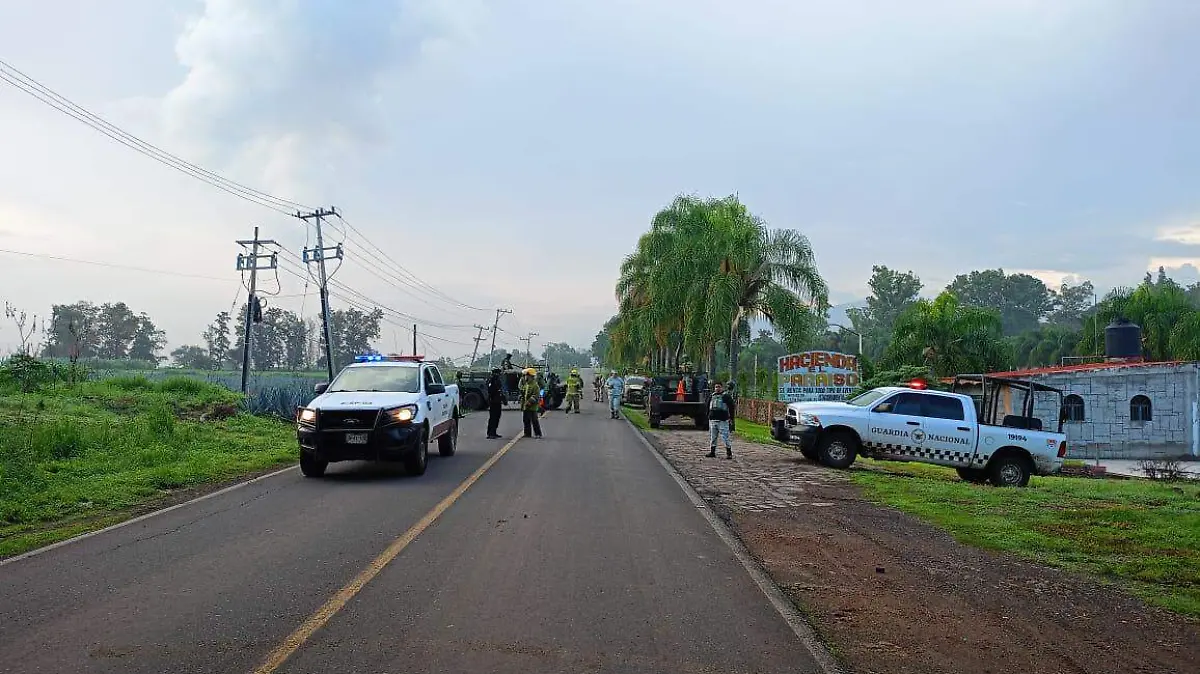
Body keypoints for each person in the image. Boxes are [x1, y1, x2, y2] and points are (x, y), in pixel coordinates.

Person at [706, 381, 735, 459]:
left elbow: (731, 407)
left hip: (723, 420)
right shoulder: (712, 396)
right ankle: (712, 451)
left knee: (725, 436)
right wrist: (707, 416)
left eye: (719, 387)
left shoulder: (726, 396)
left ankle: (729, 452)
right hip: (712, 419)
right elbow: (707, 406)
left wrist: (731, 418)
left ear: (722, 387)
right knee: (713, 437)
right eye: (716, 387)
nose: (717, 388)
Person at [519, 367, 543, 438]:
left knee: (534, 421)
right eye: (525, 376)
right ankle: (527, 434)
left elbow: (535, 396)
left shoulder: (535, 386)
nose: (526, 377)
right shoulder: (527, 384)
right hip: (525, 406)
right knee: (526, 420)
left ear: (531, 377)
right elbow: (524, 391)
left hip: (532, 407)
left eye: (527, 376)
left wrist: (529, 402)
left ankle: (538, 434)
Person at [486, 368, 504, 439]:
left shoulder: (497, 380)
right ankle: (490, 433)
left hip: (497, 401)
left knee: (497, 417)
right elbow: (491, 391)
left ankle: (494, 432)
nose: (499, 374)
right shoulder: (492, 380)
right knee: (493, 417)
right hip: (493, 401)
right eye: (498, 373)